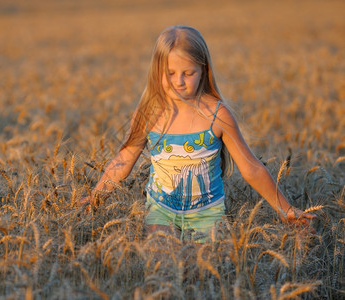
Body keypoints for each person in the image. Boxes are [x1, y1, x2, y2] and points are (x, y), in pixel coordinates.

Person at [80, 25, 315, 241]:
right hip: (161, 212)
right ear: (156, 71)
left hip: (208, 213)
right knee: (162, 264)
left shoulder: (217, 114)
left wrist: (286, 209)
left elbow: (251, 168)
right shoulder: (149, 114)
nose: (178, 82)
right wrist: (96, 197)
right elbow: (123, 161)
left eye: (188, 73)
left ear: (203, 70)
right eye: (170, 73)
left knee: (204, 271)